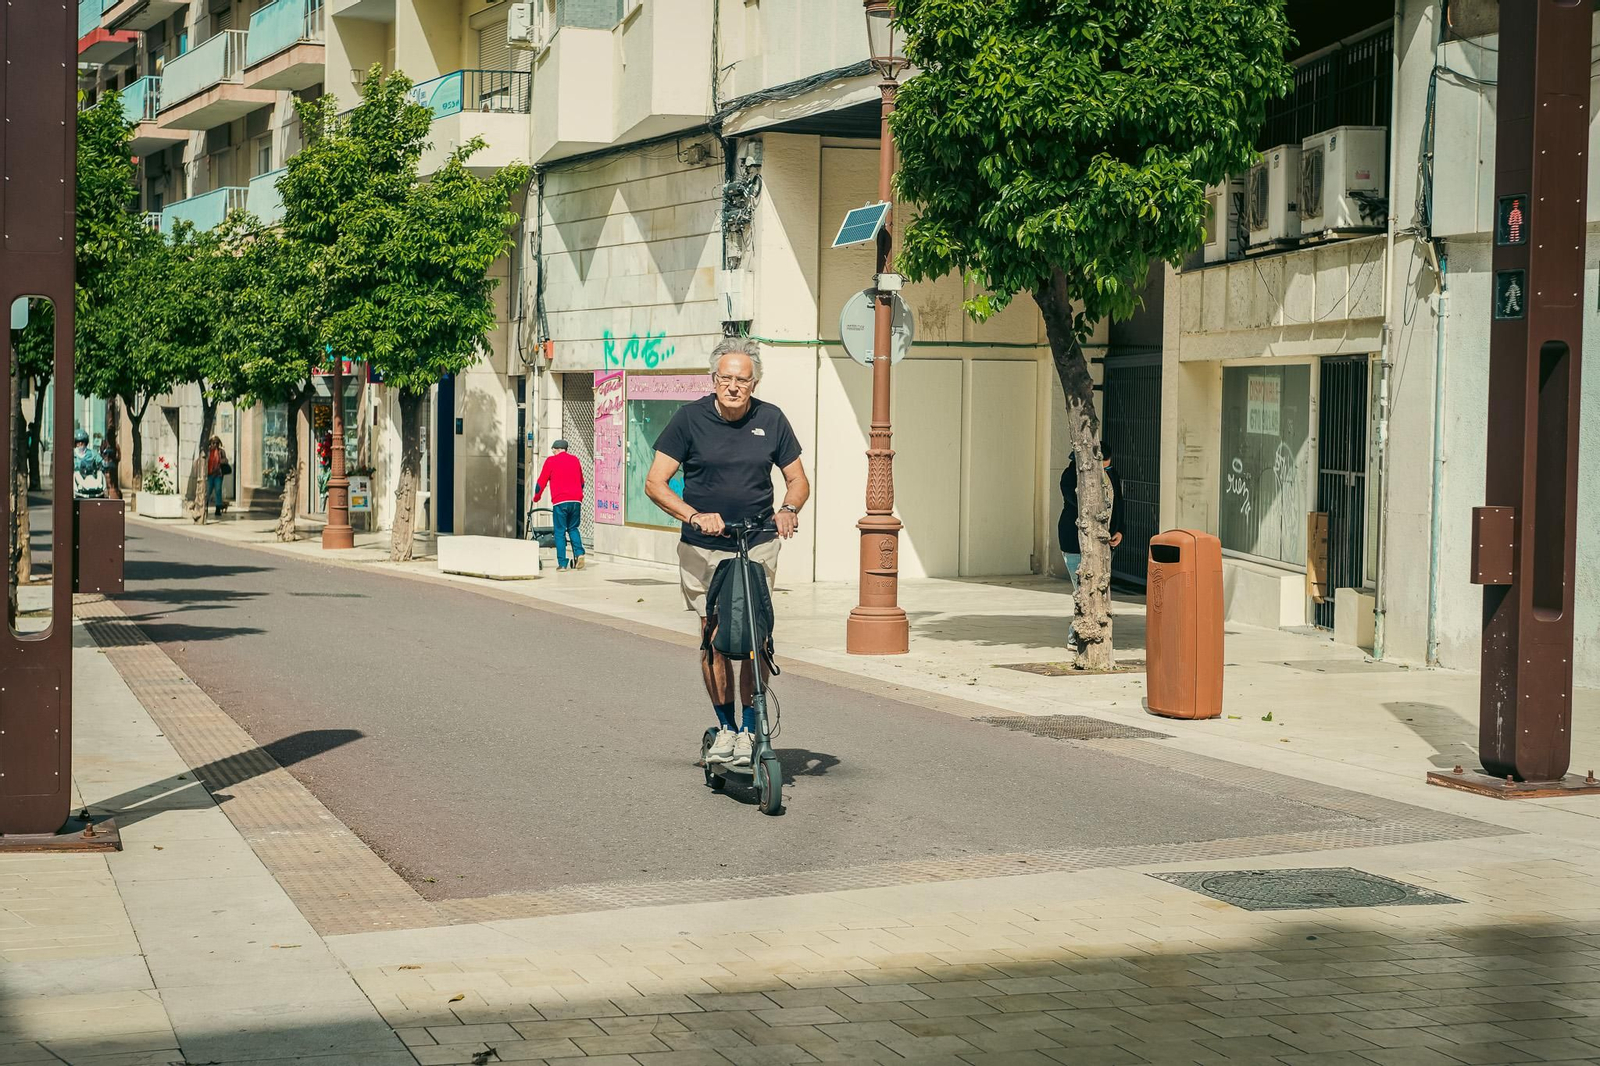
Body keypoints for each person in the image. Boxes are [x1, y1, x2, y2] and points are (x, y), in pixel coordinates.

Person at [645, 338, 810, 770]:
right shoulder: (689, 419)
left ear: (754, 382)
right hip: (703, 548)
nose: (734, 386)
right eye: (726, 378)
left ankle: (751, 729)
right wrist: (694, 514)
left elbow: (798, 480)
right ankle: (726, 728)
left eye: (743, 380)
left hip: (757, 542)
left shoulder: (772, 419)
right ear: (713, 379)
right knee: (715, 635)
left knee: (755, 635)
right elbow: (655, 483)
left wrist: (788, 510)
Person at [1058, 446, 1126, 592]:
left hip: (1105, 540)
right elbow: (1079, 503)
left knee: (1100, 587)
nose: (1104, 472)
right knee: (1084, 588)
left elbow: (1118, 503)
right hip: (1077, 541)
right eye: (1101, 469)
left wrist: (1120, 530)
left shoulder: (1111, 474)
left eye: (1107, 468)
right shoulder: (1071, 476)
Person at [533, 439, 586, 570]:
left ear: (556, 449)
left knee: (560, 531)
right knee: (573, 528)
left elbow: (541, 482)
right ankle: (579, 553)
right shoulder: (575, 460)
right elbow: (582, 482)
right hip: (576, 501)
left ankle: (562, 564)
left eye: (553, 451)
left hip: (560, 501)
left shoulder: (551, 461)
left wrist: (536, 497)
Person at [71, 429, 106, 499]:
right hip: (78, 478)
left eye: (82, 442)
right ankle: (77, 491)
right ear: (75, 443)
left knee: (100, 473)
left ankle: (100, 490)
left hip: (92, 476)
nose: (80, 444)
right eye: (78, 442)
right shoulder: (72, 455)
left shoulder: (93, 453)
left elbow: (101, 462)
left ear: (86, 443)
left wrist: (104, 465)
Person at [205, 436, 229, 517]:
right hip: (209, 474)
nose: (215, 445)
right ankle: (205, 506)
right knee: (208, 491)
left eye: (216, 443)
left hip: (218, 474)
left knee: (218, 491)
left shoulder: (221, 452)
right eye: (213, 443)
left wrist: (220, 461)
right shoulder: (208, 451)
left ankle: (218, 508)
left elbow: (226, 460)